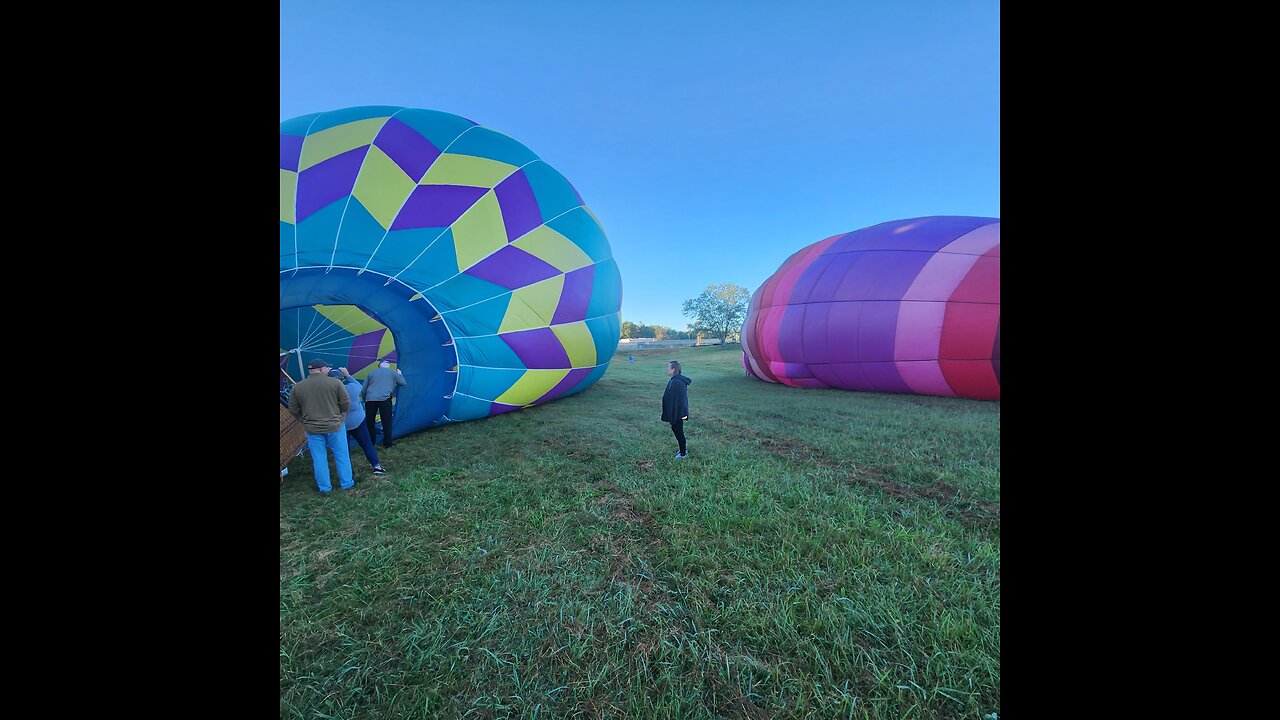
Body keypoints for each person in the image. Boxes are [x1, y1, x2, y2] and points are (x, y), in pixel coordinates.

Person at [287, 358, 354, 495]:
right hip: (335, 425)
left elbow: (293, 409)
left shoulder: (298, 387)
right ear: (322, 369)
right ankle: (346, 484)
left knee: (319, 458)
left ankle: (325, 488)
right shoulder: (335, 383)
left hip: (312, 428)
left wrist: (303, 420)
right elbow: (346, 403)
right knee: (342, 455)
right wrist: (343, 417)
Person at [329, 368, 387, 476]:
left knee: (343, 449)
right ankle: (377, 466)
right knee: (367, 444)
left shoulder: (327, 393)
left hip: (341, 424)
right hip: (358, 421)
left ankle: (347, 473)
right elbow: (361, 387)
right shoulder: (352, 388)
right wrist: (348, 375)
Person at [362, 358, 406, 448]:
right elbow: (403, 383)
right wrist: (400, 374)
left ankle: (371, 442)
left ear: (379, 366)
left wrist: (364, 399)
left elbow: (363, 389)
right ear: (388, 366)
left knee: (370, 421)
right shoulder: (393, 373)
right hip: (384, 400)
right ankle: (388, 443)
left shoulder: (371, 373)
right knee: (386, 422)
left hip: (370, 399)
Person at [661, 359, 692, 459]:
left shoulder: (677, 382)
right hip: (677, 412)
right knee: (677, 430)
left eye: (668, 368)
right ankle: (682, 449)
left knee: (678, 431)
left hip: (678, 412)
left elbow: (676, 401)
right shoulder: (674, 380)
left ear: (673, 369)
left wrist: (673, 415)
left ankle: (683, 453)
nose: (667, 370)